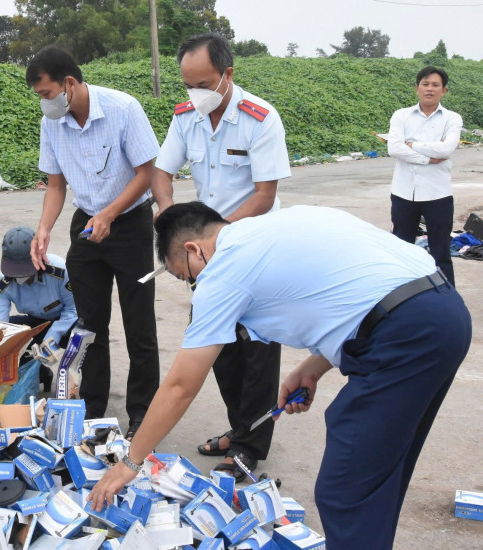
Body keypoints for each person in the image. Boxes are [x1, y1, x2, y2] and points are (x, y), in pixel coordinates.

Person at [87, 202, 471, 550]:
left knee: (345, 490)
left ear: (194, 249)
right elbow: (356, 290)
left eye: (186, 277)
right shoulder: (274, 227)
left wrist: (130, 463)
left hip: (405, 337)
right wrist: (313, 366)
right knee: (376, 478)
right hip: (443, 312)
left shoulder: (222, 271)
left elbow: (181, 386)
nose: (193, 287)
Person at [152, 32, 290, 478]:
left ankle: (250, 445)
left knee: (257, 349)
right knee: (219, 347)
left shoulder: (260, 117)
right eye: (187, 86)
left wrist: (214, 238)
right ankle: (240, 429)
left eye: (204, 85)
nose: (195, 95)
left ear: (228, 74)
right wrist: (170, 217)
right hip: (206, 253)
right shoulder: (186, 116)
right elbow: (161, 172)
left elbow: (266, 195)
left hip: (253, 248)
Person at [26, 46, 160, 438]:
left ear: (69, 83)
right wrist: (44, 227)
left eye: (47, 94)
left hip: (131, 222)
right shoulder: (52, 123)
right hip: (87, 224)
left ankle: (142, 414)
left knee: (139, 324)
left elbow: (146, 173)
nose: (44, 104)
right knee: (88, 323)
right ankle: (94, 407)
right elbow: (55, 183)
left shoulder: (123, 109)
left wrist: (111, 214)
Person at [388, 65, 462, 286]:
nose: (430, 89)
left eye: (435, 85)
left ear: (444, 91)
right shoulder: (401, 115)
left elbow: (446, 149)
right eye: (425, 84)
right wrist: (428, 157)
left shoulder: (452, 118)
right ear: (417, 88)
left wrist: (412, 145)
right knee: (402, 252)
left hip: (438, 195)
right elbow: (394, 149)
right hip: (403, 194)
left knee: (441, 253)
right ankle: (401, 299)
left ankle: (448, 301)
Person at [0, 226, 78, 389]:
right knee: (11, 331)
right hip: (37, 323)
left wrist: (52, 337)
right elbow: (0, 325)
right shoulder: (3, 284)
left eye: (24, 270)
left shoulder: (60, 271)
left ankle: (73, 382)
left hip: (64, 321)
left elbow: (74, 309)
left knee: (82, 332)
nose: (20, 277)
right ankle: (40, 372)